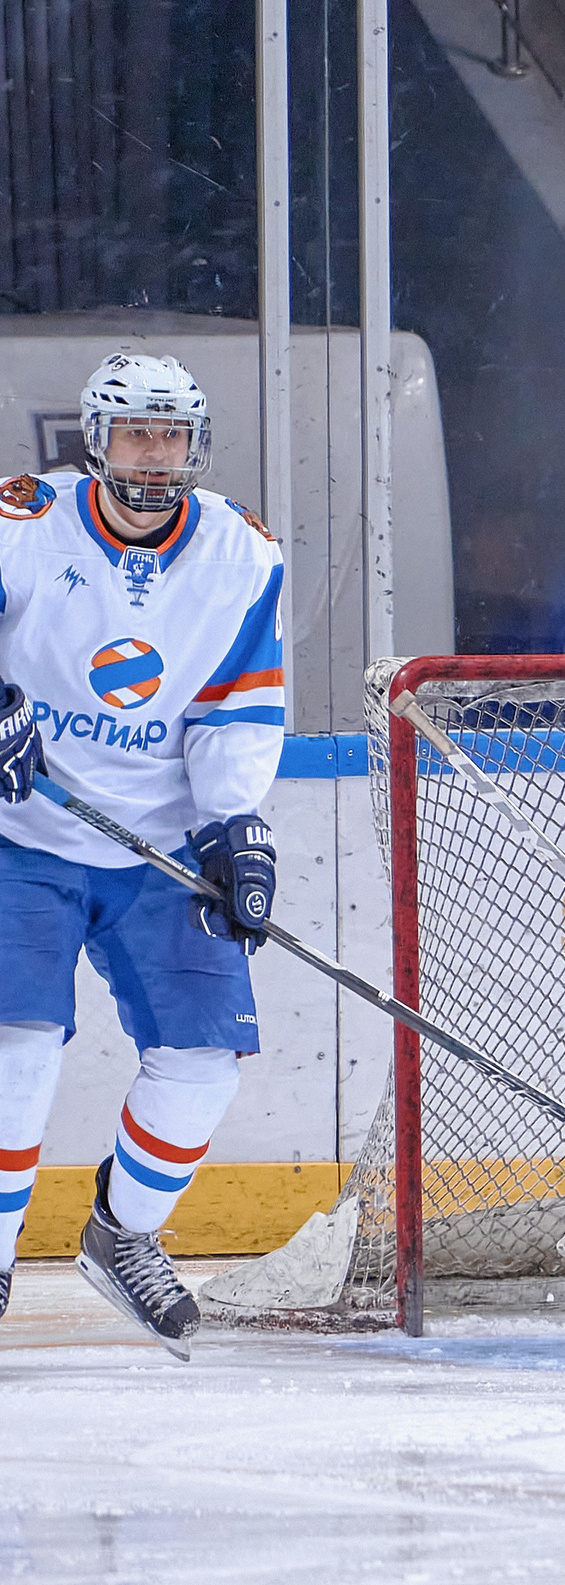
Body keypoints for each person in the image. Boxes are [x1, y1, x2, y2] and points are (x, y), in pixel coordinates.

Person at [0, 353, 286, 1357]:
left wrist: (235, 825)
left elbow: (236, 705)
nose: (155, 456)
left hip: (159, 843)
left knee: (205, 1058)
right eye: (136, 434)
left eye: (172, 435)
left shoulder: (242, 553)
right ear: (96, 439)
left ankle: (122, 1234)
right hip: (21, 836)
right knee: (17, 1046)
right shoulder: (21, 524)